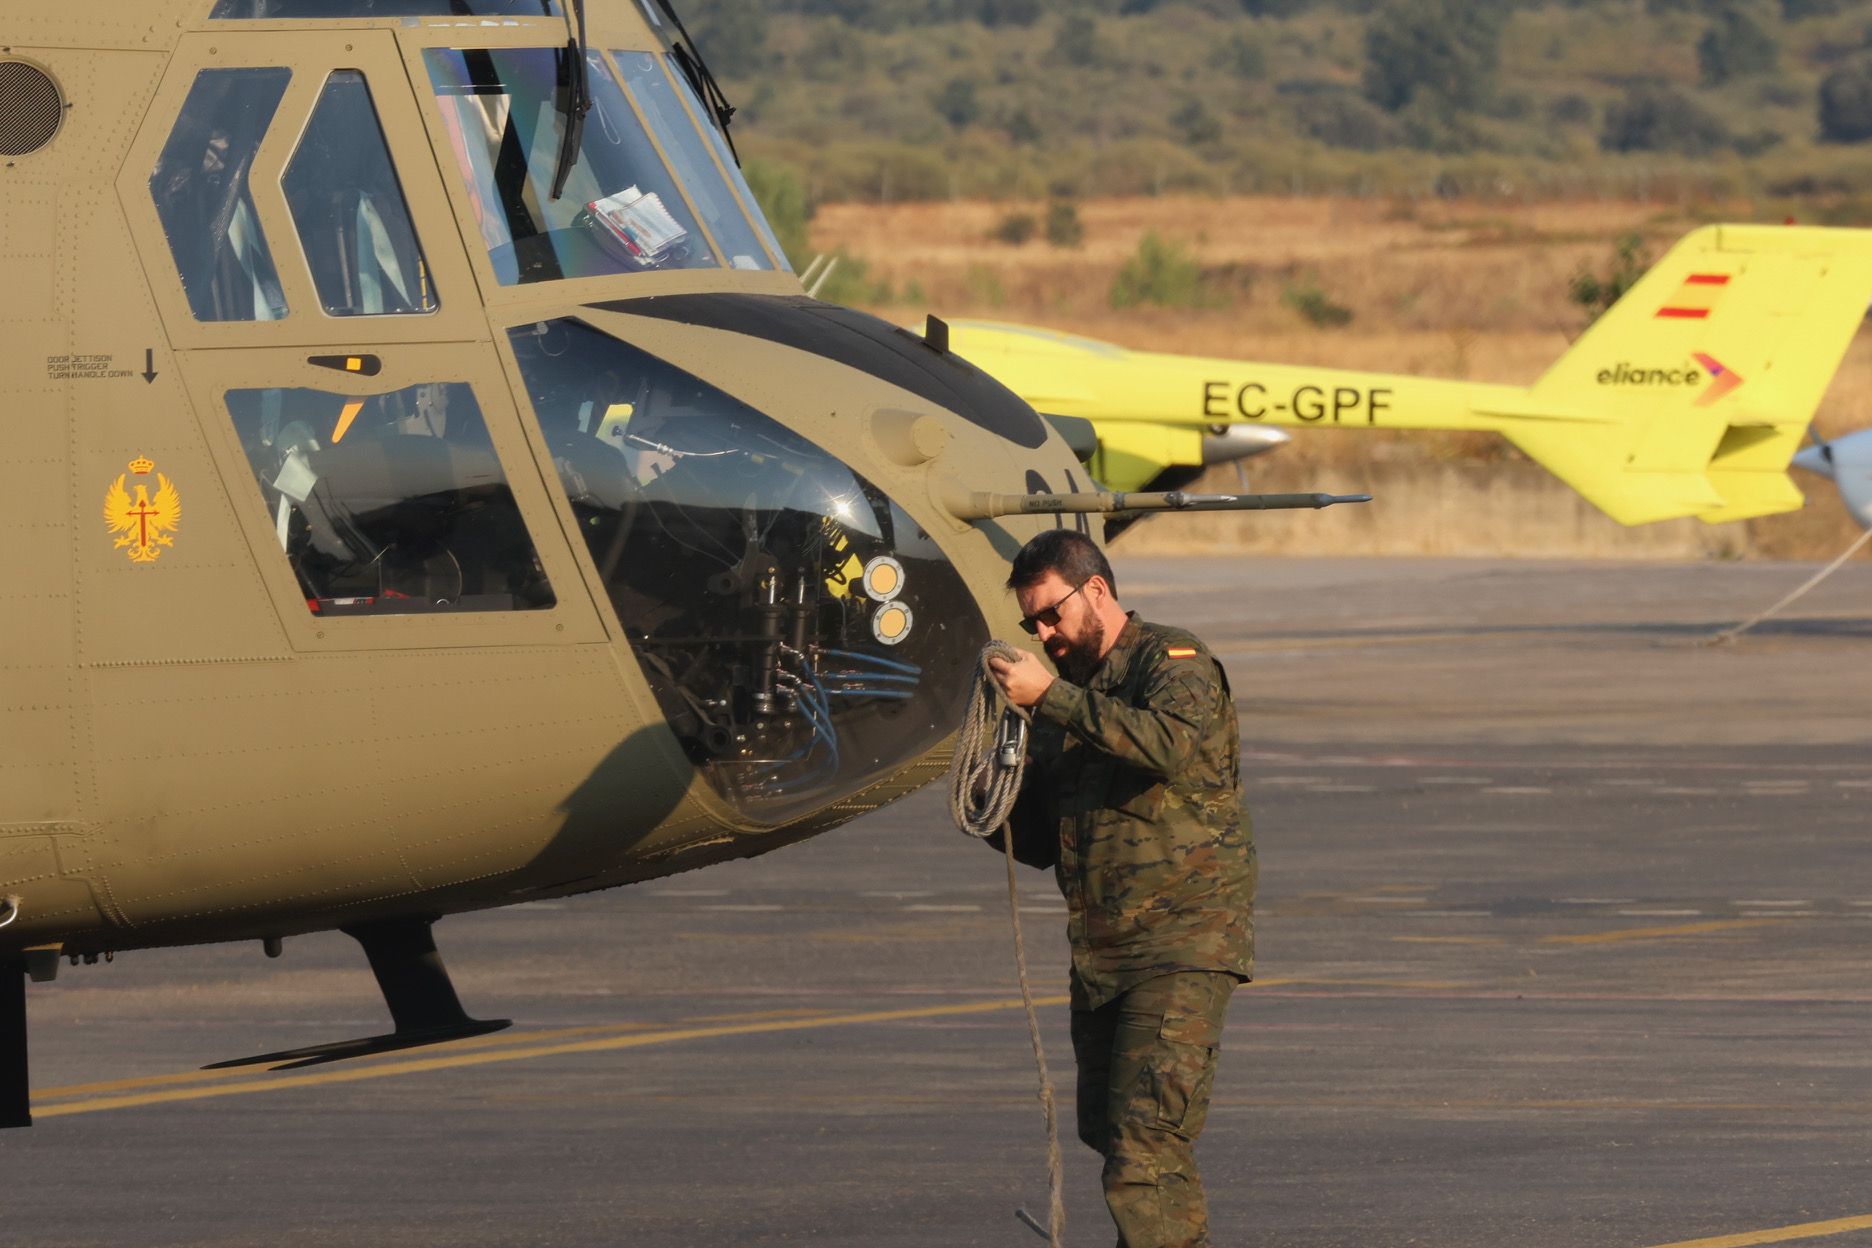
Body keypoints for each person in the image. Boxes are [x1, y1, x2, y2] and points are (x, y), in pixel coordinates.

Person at [986, 529, 1254, 1248]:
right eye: (1032, 624)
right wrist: (992, 785)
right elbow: (1044, 842)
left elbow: (1166, 743)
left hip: (1183, 943)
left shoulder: (1173, 662)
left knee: (1145, 1143)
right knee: (1117, 1137)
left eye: (1052, 614)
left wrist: (1053, 702)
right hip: (1105, 955)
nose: (1045, 634)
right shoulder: (1065, 700)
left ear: (1096, 592)